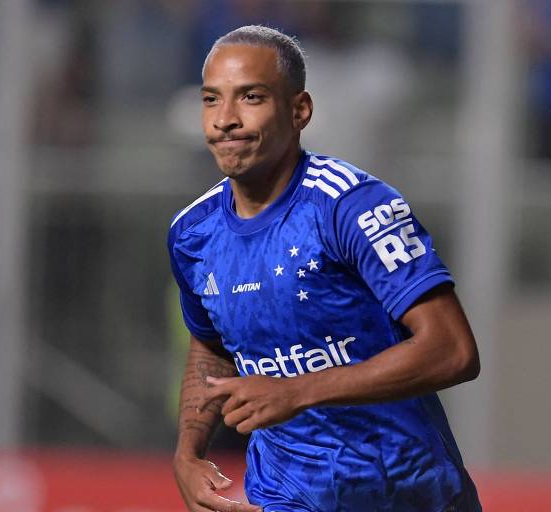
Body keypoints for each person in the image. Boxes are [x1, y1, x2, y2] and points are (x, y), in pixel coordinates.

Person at [167, 25, 482, 512]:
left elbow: (453, 350)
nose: (225, 119)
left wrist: (297, 391)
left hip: (409, 495)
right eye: (212, 100)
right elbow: (210, 344)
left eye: (250, 97)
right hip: (285, 497)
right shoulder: (192, 233)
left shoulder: (351, 207)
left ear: (299, 111)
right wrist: (189, 451)